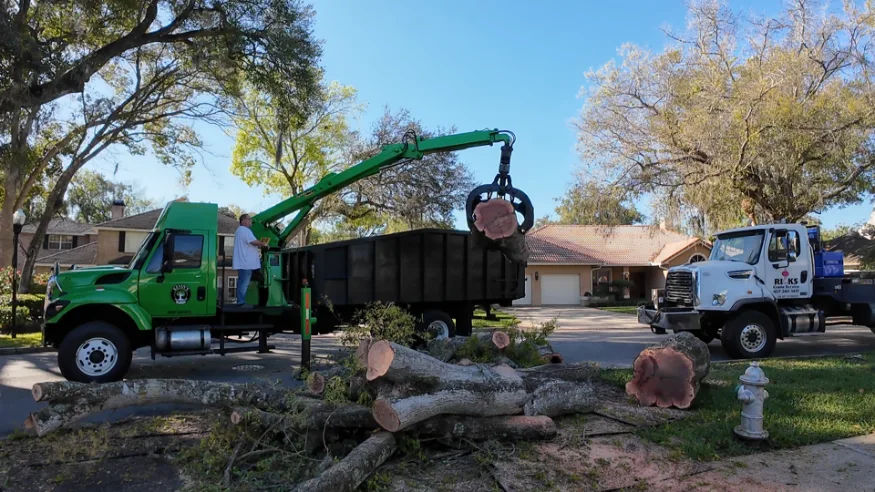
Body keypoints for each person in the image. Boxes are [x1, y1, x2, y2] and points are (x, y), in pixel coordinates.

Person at [233, 214, 269, 307]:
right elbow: (254, 242)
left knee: (245, 281)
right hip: (246, 264)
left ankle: (251, 301)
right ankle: (241, 303)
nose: (251, 221)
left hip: (246, 263)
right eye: (249, 219)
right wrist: (264, 244)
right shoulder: (245, 230)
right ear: (243, 220)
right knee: (244, 283)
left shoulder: (239, 231)